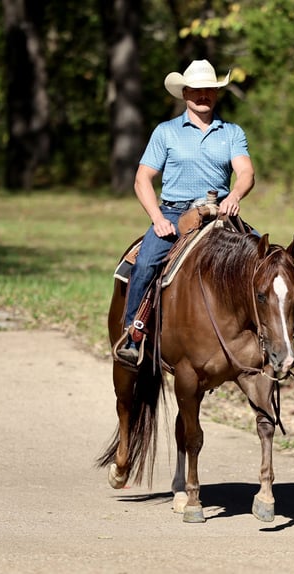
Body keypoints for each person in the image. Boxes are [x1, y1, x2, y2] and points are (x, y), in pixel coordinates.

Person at [116, 59, 256, 367]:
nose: (203, 96)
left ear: (216, 93)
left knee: (265, 261)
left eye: (209, 90)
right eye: (196, 90)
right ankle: (133, 335)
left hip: (220, 213)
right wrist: (157, 219)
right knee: (145, 264)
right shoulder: (166, 132)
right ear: (185, 94)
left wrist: (234, 195)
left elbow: (245, 172)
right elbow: (142, 179)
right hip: (176, 214)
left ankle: (264, 338)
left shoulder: (231, 132)